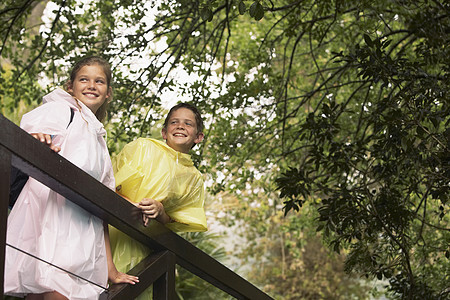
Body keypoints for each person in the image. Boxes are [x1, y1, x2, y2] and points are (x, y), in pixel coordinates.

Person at [4, 56, 138, 300]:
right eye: (83, 79)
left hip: (83, 235)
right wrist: (40, 140)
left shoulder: (98, 138)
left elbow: (103, 209)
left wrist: (110, 269)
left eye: (99, 81)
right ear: (70, 86)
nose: (91, 85)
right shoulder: (61, 110)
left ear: (108, 93)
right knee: (52, 287)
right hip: (52, 222)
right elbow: (28, 138)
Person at [109, 103, 208, 299]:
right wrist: (132, 205)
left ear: (199, 137)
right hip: (113, 231)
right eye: (174, 122)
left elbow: (179, 221)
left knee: (133, 290)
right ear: (164, 132)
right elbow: (109, 181)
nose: (180, 126)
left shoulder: (194, 178)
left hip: (147, 248)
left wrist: (160, 211)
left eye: (188, 123)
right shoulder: (143, 147)